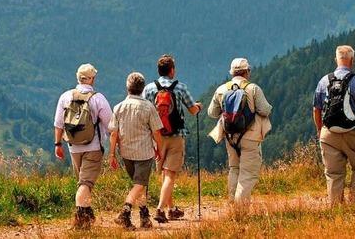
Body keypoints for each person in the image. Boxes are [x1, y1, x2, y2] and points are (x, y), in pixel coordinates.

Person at [313, 45, 355, 205]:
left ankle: (336, 207)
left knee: (333, 173)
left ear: (335, 60)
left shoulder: (324, 81)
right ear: (352, 60)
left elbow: (316, 109)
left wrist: (320, 130)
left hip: (329, 133)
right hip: (353, 132)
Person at [142, 54, 202, 223]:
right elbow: (192, 110)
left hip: (157, 136)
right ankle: (160, 209)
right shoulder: (180, 87)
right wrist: (198, 106)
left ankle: (171, 209)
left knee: (163, 173)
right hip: (176, 135)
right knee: (170, 174)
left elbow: (146, 112)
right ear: (172, 70)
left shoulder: (149, 89)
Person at [53, 63, 112, 229]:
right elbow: (110, 124)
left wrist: (58, 144)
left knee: (83, 182)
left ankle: (87, 215)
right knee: (85, 183)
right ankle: (79, 219)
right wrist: (114, 145)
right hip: (93, 147)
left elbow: (58, 124)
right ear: (91, 79)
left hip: (73, 147)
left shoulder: (65, 97)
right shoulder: (97, 98)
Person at [208, 58, 272, 204]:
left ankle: (232, 202)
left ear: (232, 72)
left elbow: (212, 112)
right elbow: (265, 110)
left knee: (234, 168)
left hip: (230, 136)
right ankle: (240, 210)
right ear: (247, 72)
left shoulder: (221, 89)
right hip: (251, 135)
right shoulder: (253, 88)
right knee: (248, 173)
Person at [108, 72, 163, 230]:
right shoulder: (148, 107)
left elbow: (114, 133)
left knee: (139, 185)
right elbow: (156, 132)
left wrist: (112, 155)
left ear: (127, 88)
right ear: (142, 88)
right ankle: (124, 213)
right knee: (139, 185)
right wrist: (159, 148)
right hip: (144, 153)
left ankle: (144, 218)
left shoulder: (118, 107)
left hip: (126, 153)